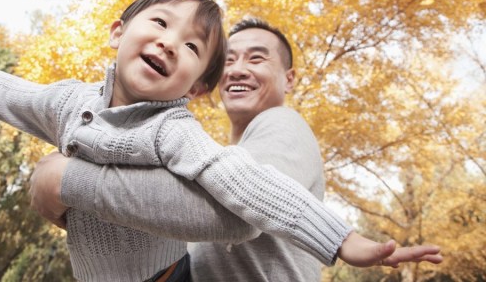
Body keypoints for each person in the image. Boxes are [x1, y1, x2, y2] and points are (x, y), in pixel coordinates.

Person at [0, 0, 441, 282]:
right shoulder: (71, 102)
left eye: (193, 48)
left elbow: (244, 192)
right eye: (160, 24)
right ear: (118, 32)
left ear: (195, 88)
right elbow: (14, 94)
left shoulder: (178, 131)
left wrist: (343, 240)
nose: (169, 44)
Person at [29, 18, 444, 281]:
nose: (238, 69)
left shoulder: (281, 123)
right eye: (227, 61)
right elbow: (164, 222)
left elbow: (235, 214)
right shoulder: (207, 156)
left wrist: (68, 179)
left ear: (290, 78)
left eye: (257, 59)